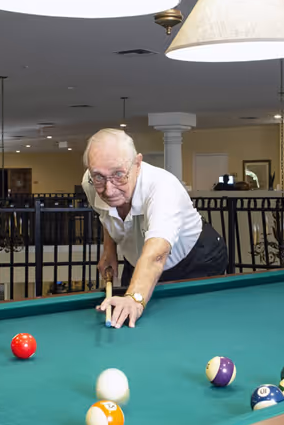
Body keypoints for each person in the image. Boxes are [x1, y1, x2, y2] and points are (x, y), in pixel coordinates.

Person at [84, 129, 228, 327]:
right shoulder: (91, 182)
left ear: (137, 163)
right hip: (138, 260)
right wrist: (109, 250)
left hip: (195, 259)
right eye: (99, 177)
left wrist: (134, 299)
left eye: (118, 174)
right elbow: (107, 213)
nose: (108, 189)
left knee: (189, 325)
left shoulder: (163, 188)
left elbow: (157, 253)